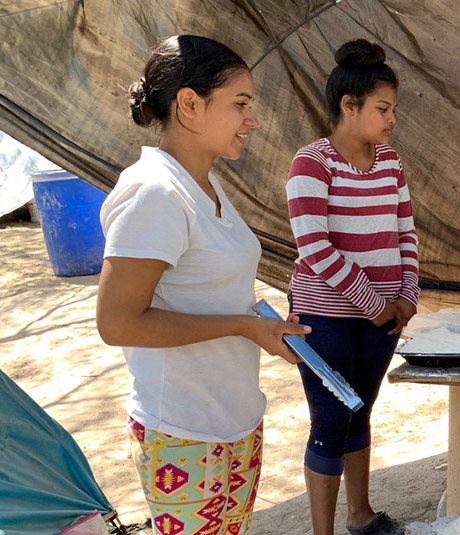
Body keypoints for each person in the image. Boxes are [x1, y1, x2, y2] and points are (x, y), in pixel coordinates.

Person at [95, 35, 308, 535]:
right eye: (240, 104)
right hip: (184, 432)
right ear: (189, 104)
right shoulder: (156, 192)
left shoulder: (203, 185)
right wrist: (242, 325)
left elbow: (209, 291)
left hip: (234, 419)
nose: (251, 120)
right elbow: (117, 322)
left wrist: (258, 325)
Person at [285, 39, 418, 535]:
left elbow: (406, 232)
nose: (390, 120)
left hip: (383, 316)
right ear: (349, 105)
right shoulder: (311, 164)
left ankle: (360, 516)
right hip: (325, 319)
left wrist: (407, 297)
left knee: (360, 411)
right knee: (329, 422)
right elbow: (316, 250)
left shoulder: (391, 163)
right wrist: (374, 304)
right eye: (383, 109)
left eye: (392, 110)